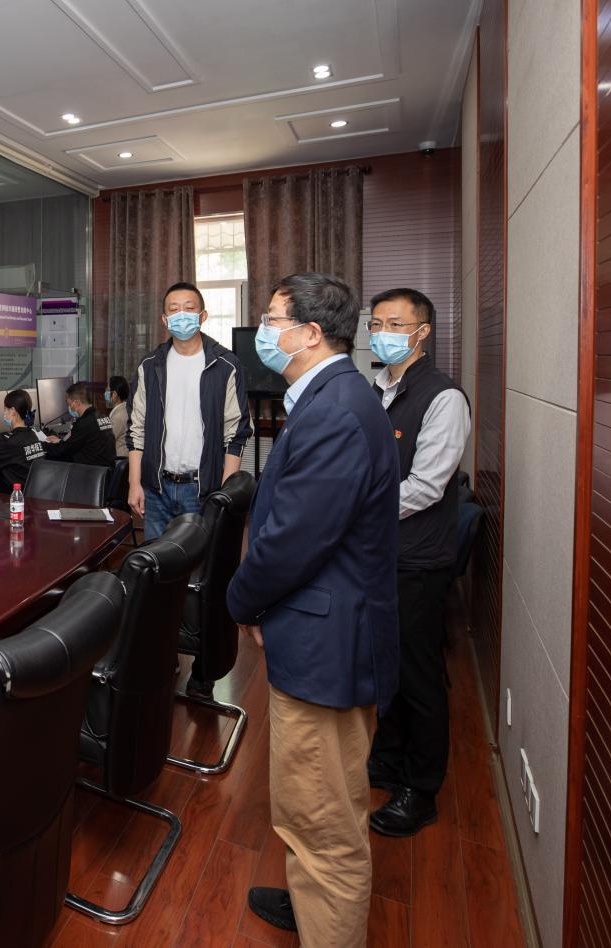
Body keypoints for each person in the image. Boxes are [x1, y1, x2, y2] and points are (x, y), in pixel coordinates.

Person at [226, 273, 400, 946]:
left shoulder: (334, 411)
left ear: (310, 333)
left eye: (272, 319)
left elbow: (293, 540)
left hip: (329, 643)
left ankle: (329, 927)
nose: (262, 331)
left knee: (323, 821)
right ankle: (310, 907)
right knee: (308, 802)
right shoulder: (333, 397)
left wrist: (241, 600)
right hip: (322, 628)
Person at [364, 288, 471, 838]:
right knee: (387, 664)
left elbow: (426, 486)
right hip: (381, 553)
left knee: (418, 674)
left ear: (422, 332)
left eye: (395, 324)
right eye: (377, 323)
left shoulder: (443, 397)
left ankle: (421, 789)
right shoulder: (379, 389)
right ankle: (388, 759)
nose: (382, 333)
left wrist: (357, 508)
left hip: (418, 558)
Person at [126, 281, 251, 538]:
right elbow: (136, 429)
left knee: (200, 560)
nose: (181, 315)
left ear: (203, 316)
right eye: (174, 309)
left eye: (189, 308)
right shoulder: (149, 365)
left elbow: (236, 434)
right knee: (155, 560)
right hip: (156, 489)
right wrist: (134, 483)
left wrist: (223, 495)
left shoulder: (225, 365)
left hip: (202, 490)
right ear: (164, 319)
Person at [0, 389, 45, 489]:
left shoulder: (8, 442)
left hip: (17, 495)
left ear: (12, 411)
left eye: (5, 409)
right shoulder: (33, 435)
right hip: (35, 493)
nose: (4, 413)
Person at [43, 382, 115, 468]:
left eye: (69, 404)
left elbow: (63, 450)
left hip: (91, 471)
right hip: (105, 469)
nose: (69, 408)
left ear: (77, 403)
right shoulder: (102, 416)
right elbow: (76, 442)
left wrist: (41, 445)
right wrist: (60, 441)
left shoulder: (85, 423)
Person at [106, 375, 130, 458]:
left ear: (115, 394)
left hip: (119, 458)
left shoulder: (119, 416)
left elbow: (108, 440)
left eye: (107, 390)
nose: (105, 393)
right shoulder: (123, 409)